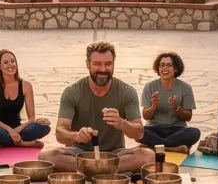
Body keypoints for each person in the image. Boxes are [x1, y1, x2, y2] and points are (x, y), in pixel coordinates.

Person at [46, 41, 151, 173]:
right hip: (79, 154)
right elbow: (60, 133)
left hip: (115, 154)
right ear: (87, 64)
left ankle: (90, 170)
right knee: (47, 156)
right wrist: (77, 135)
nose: (103, 69)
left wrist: (122, 123)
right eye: (97, 64)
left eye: (108, 64)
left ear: (114, 64)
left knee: (148, 155)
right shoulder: (72, 91)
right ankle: (106, 170)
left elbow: (139, 132)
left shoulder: (127, 91)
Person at [0, 50, 51, 149]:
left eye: (12, 61)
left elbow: (31, 118)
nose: (10, 65)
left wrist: (18, 129)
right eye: (5, 63)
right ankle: (23, 143)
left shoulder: (26, 85)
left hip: (19, 129)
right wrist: (10, 131)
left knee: (44, 128)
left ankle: (1, 143)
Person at [140, 51, 201, 153]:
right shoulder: (150, 86)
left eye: (169, 65)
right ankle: (172, 147)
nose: (164, 68)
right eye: (162, 65)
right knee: (138, 131)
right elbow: (146, 116)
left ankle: (155, 146)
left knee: (195, 133)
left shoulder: (185, 88)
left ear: (176, 68)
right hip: (154, 128)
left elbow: (188, 117)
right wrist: (154, 106)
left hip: (177, 130)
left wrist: (177, 108)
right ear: (158, 68)